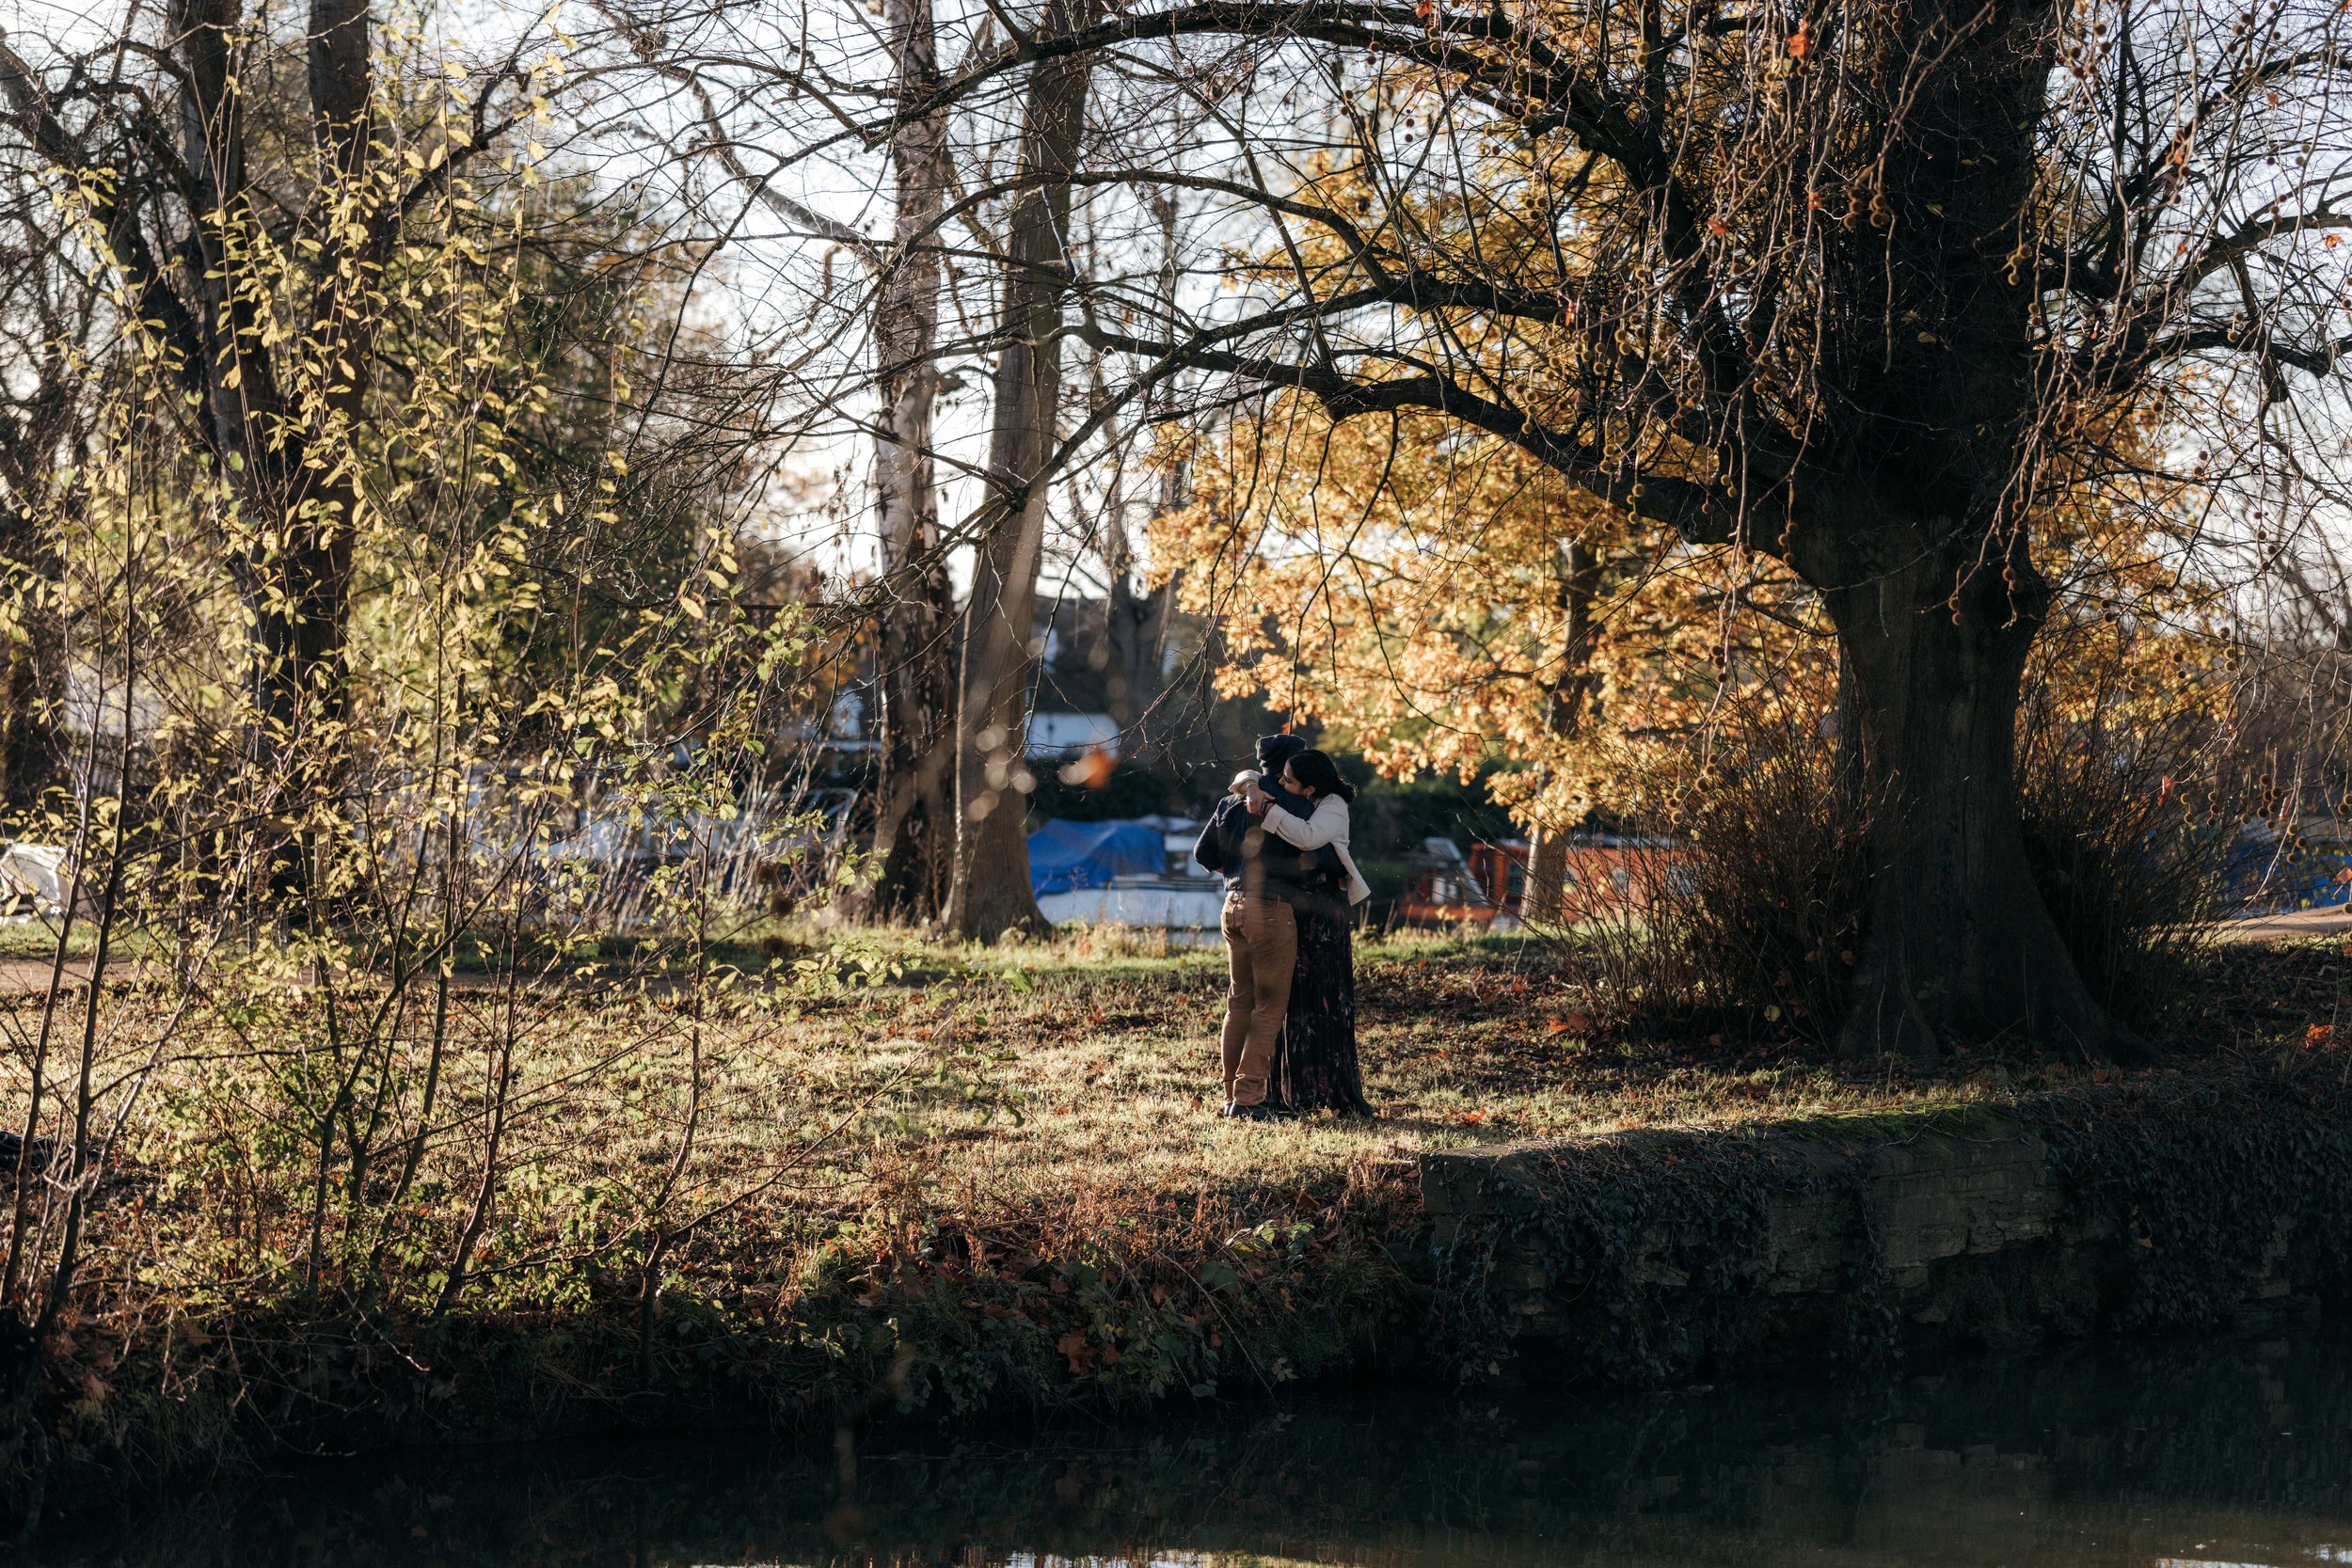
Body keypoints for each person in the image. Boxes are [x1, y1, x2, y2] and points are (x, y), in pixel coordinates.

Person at [1192, 735, 1335, 1121]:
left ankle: (1229, 1097)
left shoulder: (1231, 800)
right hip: (1271, 910)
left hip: (1232, 908)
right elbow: (1323, 858)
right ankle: (1250, 1100)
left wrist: (1236, 874)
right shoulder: (1294, 804)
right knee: (1268, 1008)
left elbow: (1203, 853)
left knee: (1238, 1005)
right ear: (1292, 763)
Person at [1245, 749, 1374, 1117]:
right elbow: (1243, 777)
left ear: (1310, 786)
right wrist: (1253, 784)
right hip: (1294, 910)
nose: (1282, 784)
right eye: (1281, 778)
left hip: (1324, 912)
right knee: (1291, 997)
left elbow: (1308, 836)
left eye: (1288, 780)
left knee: (1324, 997)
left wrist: (1268, 809)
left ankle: (1326, 1089)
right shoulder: (1295, 798)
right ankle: (1288, 1090)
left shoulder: (1332, 806)